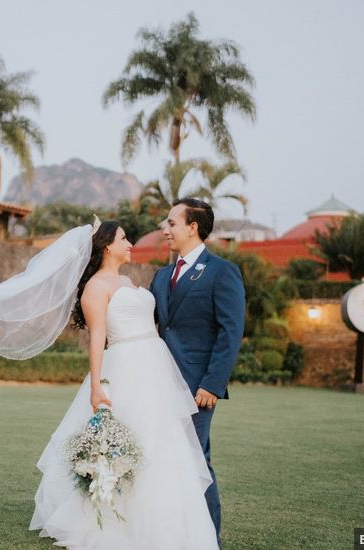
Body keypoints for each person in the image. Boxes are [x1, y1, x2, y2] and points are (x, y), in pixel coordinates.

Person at [29, 218, 221, 550]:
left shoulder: (128, 280)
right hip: (126, 366)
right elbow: (98, 338)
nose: (130, 243)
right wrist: (95, 386)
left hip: (156, 367)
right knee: (133, 436)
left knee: (161, 442)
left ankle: (169, 518)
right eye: (124, 238)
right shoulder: (95, 288)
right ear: (107, 246)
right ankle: (119, 521)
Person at [149, 198, 246, 548]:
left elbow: (230, 331)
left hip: (197, 388)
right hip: (157, 386)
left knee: (195, 462)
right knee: (161, 461)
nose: (165, 229)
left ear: (193, 227)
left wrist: (211, 383)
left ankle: (209, 540)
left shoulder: (222, 272)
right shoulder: (161, 276)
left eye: (171, 223)